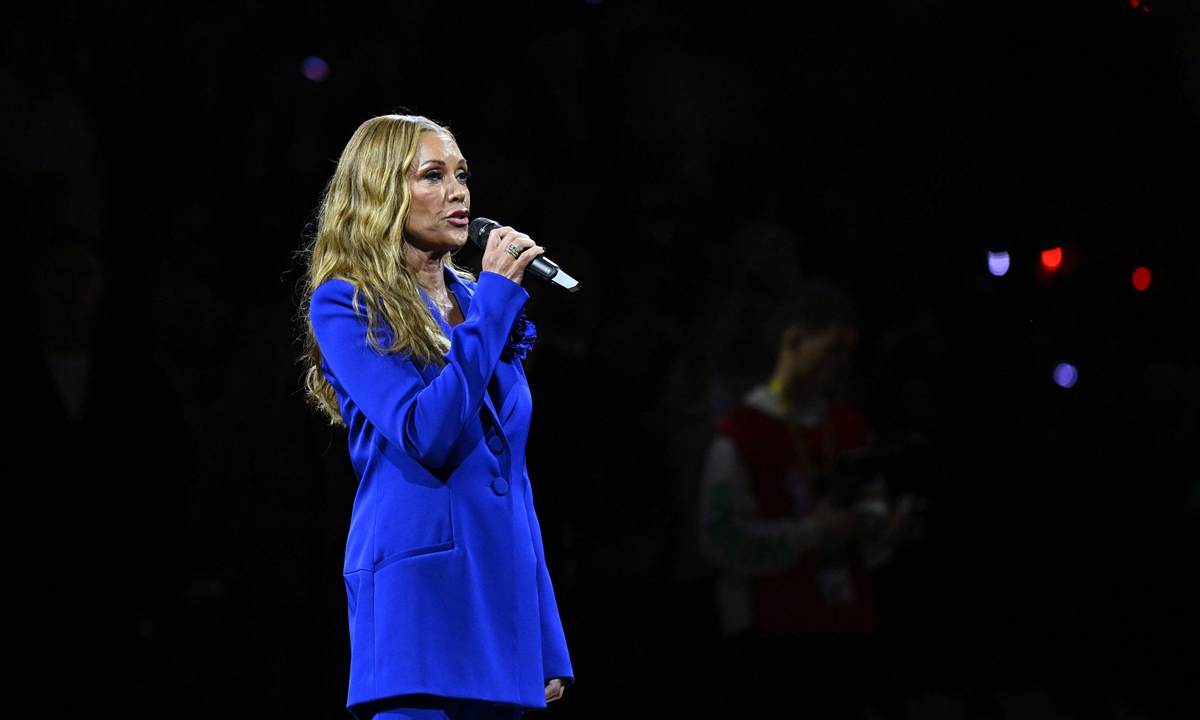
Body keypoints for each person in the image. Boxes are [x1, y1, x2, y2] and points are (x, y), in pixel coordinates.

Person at [299, 115, 572, 720]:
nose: (459, 193)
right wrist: (496, 302)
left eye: (461, 175)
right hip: (418, 601)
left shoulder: (479, 303)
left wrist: (546, 634)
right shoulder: (346, 302)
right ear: (381, 194)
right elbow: (425, 429)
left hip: (499, 600)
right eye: (433, 175)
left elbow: (513, 481)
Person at [697, 284, 915, 718]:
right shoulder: (741, 433)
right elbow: (718, 539)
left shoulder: (849, 426)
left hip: (846, 629)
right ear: (794, 341)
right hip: (773, 639)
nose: (841, 366)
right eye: (833, 350)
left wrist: (883, 529)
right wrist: (811, 534)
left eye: (848, 353)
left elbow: (870, 511)